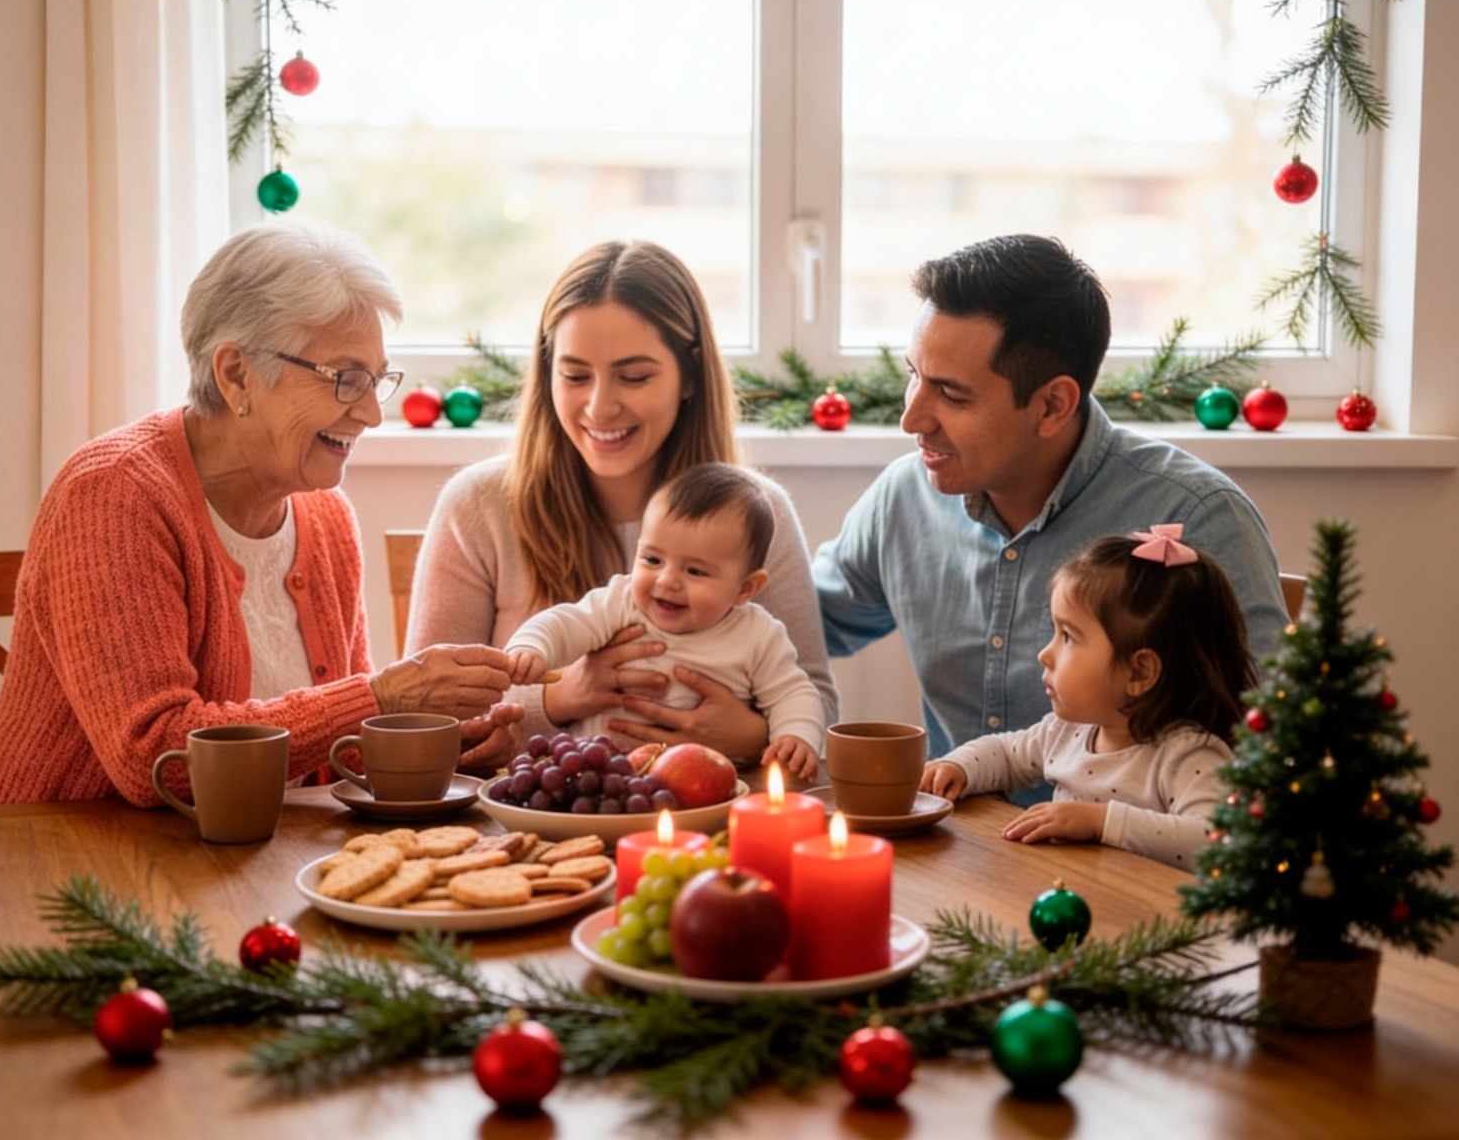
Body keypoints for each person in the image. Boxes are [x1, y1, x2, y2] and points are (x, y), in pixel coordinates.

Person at [0, 219, 519, 807]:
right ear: (235, 374)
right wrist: (382, 697)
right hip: (66, 867)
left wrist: (440, 738)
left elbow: (338, 749)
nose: (370, 414)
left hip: (247, 863)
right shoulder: (114, 494)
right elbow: (156, 760)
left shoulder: (326, 515)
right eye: (346, 379)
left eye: (377, 380)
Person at [812, 233, 1289, 802]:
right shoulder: (904, 497)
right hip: (955, 859)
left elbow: (1272, 750)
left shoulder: (1196, 518)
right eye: (915, 375)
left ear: (1053, 405)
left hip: (1129, 873)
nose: (912, 418)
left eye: (952, 395)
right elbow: (800, 626)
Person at [406, 240, 839, 761]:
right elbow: (426, 718)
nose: (600, 406)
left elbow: (814, 702)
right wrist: (561, 696)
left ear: (690, 377)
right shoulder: (479, 505)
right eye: (574, 375)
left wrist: (751, 736)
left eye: (634, 377)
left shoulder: (756, 514)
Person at [918, 525, 1255, 870]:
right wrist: (959, 766)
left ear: (1139, 672)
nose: (1044, 654)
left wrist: (1100, 822)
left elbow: (1215, 838)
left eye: (1068, 637)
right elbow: (1006, 754)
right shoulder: (1067, 731)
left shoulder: (1186, 755)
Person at [505, 463, 825, 780]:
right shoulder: (622, 600)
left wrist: (794, 735)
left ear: (745, 589)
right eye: (653, 560)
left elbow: (793, 693)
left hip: (701, 785)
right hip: (594, 775)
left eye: (695, 571)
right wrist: (533, 646)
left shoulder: (758, 635)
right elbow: (565, 623)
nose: (667, 581)